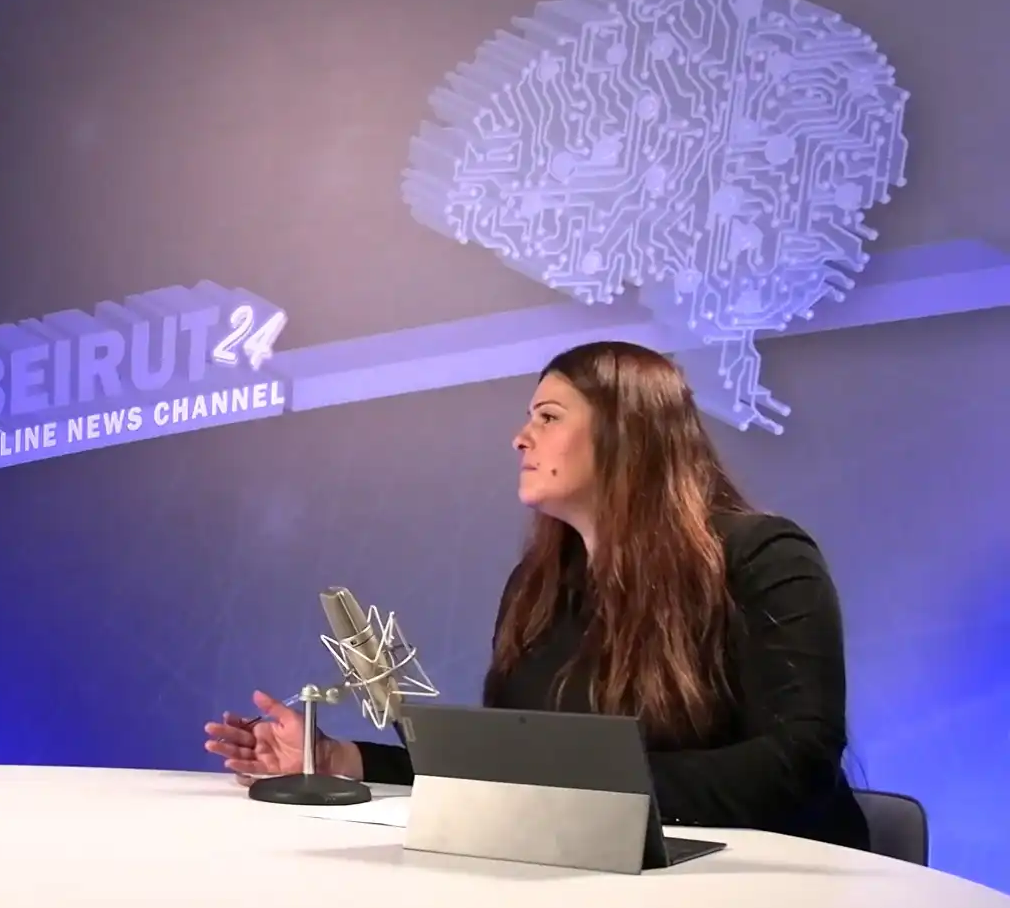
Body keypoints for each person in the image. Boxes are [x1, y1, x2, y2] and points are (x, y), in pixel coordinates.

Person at [204, 340, 871, 850]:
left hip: (763, 891)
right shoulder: (538, 587)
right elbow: (512, 770)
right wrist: (337, 759)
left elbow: (798, 762)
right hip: (601, 878)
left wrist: (587, 790)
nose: (521, 438)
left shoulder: (764, 557)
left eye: (548, 417)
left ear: (626, 433)